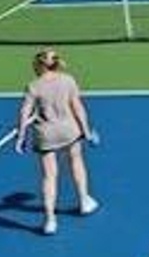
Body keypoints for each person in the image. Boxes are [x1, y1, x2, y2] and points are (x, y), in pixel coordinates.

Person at [15, 48, 99, 236]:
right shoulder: (68, 80)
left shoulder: (33, 86)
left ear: (39, 65)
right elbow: (77, 107)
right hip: (69, 130)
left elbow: (24, 112)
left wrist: (21, 136)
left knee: (49, 176)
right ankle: (84, 201)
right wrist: (86, 132)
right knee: (76, 162)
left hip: (46, 134)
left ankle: (50, 221)